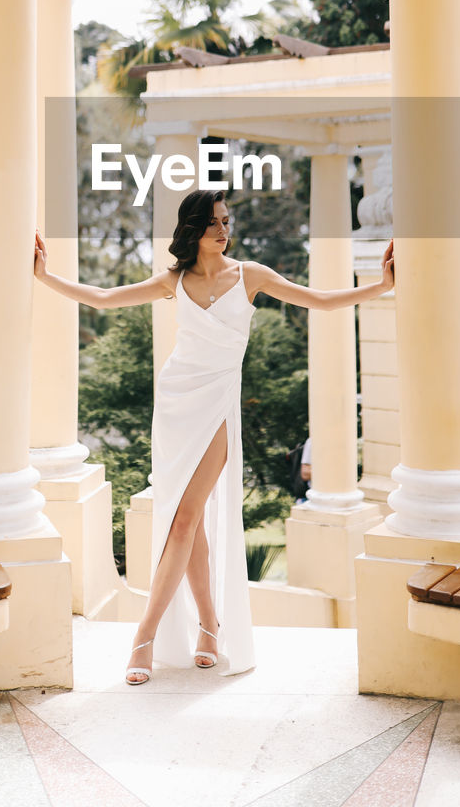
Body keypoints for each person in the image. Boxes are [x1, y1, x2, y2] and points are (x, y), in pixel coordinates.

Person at [34, 189, 394, 685]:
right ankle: (208, 628)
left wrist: (380, 286)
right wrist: (44, 276)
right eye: (214, 224)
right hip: (176, 402)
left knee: (182, 521)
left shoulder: (251, 275)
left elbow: (319, 300)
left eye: (227, 222)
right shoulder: (174, 281)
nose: (224, 232)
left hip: (219, 406)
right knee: (191, 524)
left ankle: (145, 634)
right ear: (194, 230)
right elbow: (103, 298)